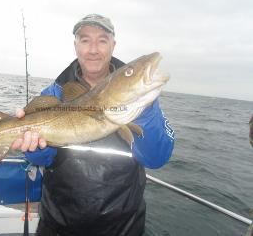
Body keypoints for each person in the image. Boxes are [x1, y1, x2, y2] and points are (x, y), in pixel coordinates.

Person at [11, 14, 175, 236]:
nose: (93, 49)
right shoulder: (54, 94)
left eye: (102, 40)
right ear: (76, 46)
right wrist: (36, 150)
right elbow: (43, 159)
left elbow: (156, 158)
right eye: (85, 40)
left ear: (113, 45)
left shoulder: (141, 101)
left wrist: (144, 112)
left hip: (122, 227)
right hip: (58, 224)